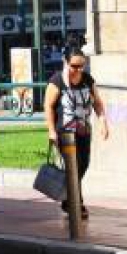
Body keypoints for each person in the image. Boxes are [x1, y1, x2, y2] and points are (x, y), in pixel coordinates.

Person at [44, 37, 109, 219]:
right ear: (65, 63)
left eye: (82, 66)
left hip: (84, 131)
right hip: (65, 133)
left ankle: (68, 200)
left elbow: (97, 103)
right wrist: (51, 131)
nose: (78, 70)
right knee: (74, 166)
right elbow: (48, 106)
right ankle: (76, 203)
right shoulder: (57, 81)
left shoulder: (87, 80)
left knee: (83, 165)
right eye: (74, 66)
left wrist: (103, 121)